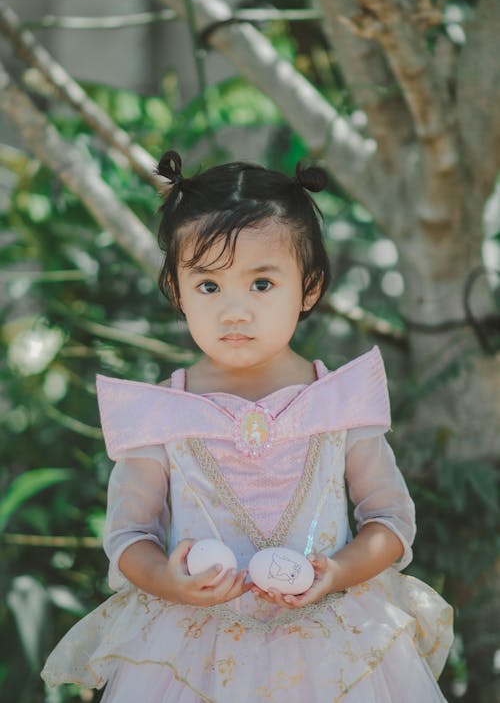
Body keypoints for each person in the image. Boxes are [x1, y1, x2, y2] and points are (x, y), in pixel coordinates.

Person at [42, 151, 453, 702]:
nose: (234, 311)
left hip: (334, 648)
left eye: (261, 284)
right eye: (209, 287)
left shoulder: (337, 402)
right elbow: (128, 536)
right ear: (177, 291)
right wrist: (170, 582)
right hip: (195, 654)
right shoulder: (161, 414)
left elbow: (390, 520)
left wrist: (335, 571)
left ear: (309, 288)